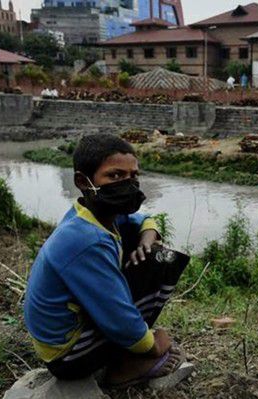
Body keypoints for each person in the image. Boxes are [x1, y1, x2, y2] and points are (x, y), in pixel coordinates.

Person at [24, 134, 190, 387]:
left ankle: (128, 345)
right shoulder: (86, 241)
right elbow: (116, 316)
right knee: (161, 262)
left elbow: (142, 220)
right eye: (114, 176)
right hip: (68, 356)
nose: (128, 184)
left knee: (150, 250)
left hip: (64, 339)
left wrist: (147, 239)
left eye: (133, 176)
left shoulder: (91, 214)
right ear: (83, 181)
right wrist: (152, 345)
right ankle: (126, 365)